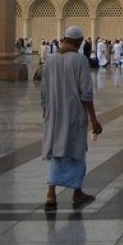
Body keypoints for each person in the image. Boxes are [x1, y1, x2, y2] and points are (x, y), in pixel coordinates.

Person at [41, 26, 103, 211]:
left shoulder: (50, 60)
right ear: (78, 42)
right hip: (74, 113)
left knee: (56, 151)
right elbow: (86, 93)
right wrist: (94, 119)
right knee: (76, 151)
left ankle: (51, 193)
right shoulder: (79, 60)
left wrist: (47, 112)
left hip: (54, 114)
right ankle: (77, 192)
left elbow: (43, 91)